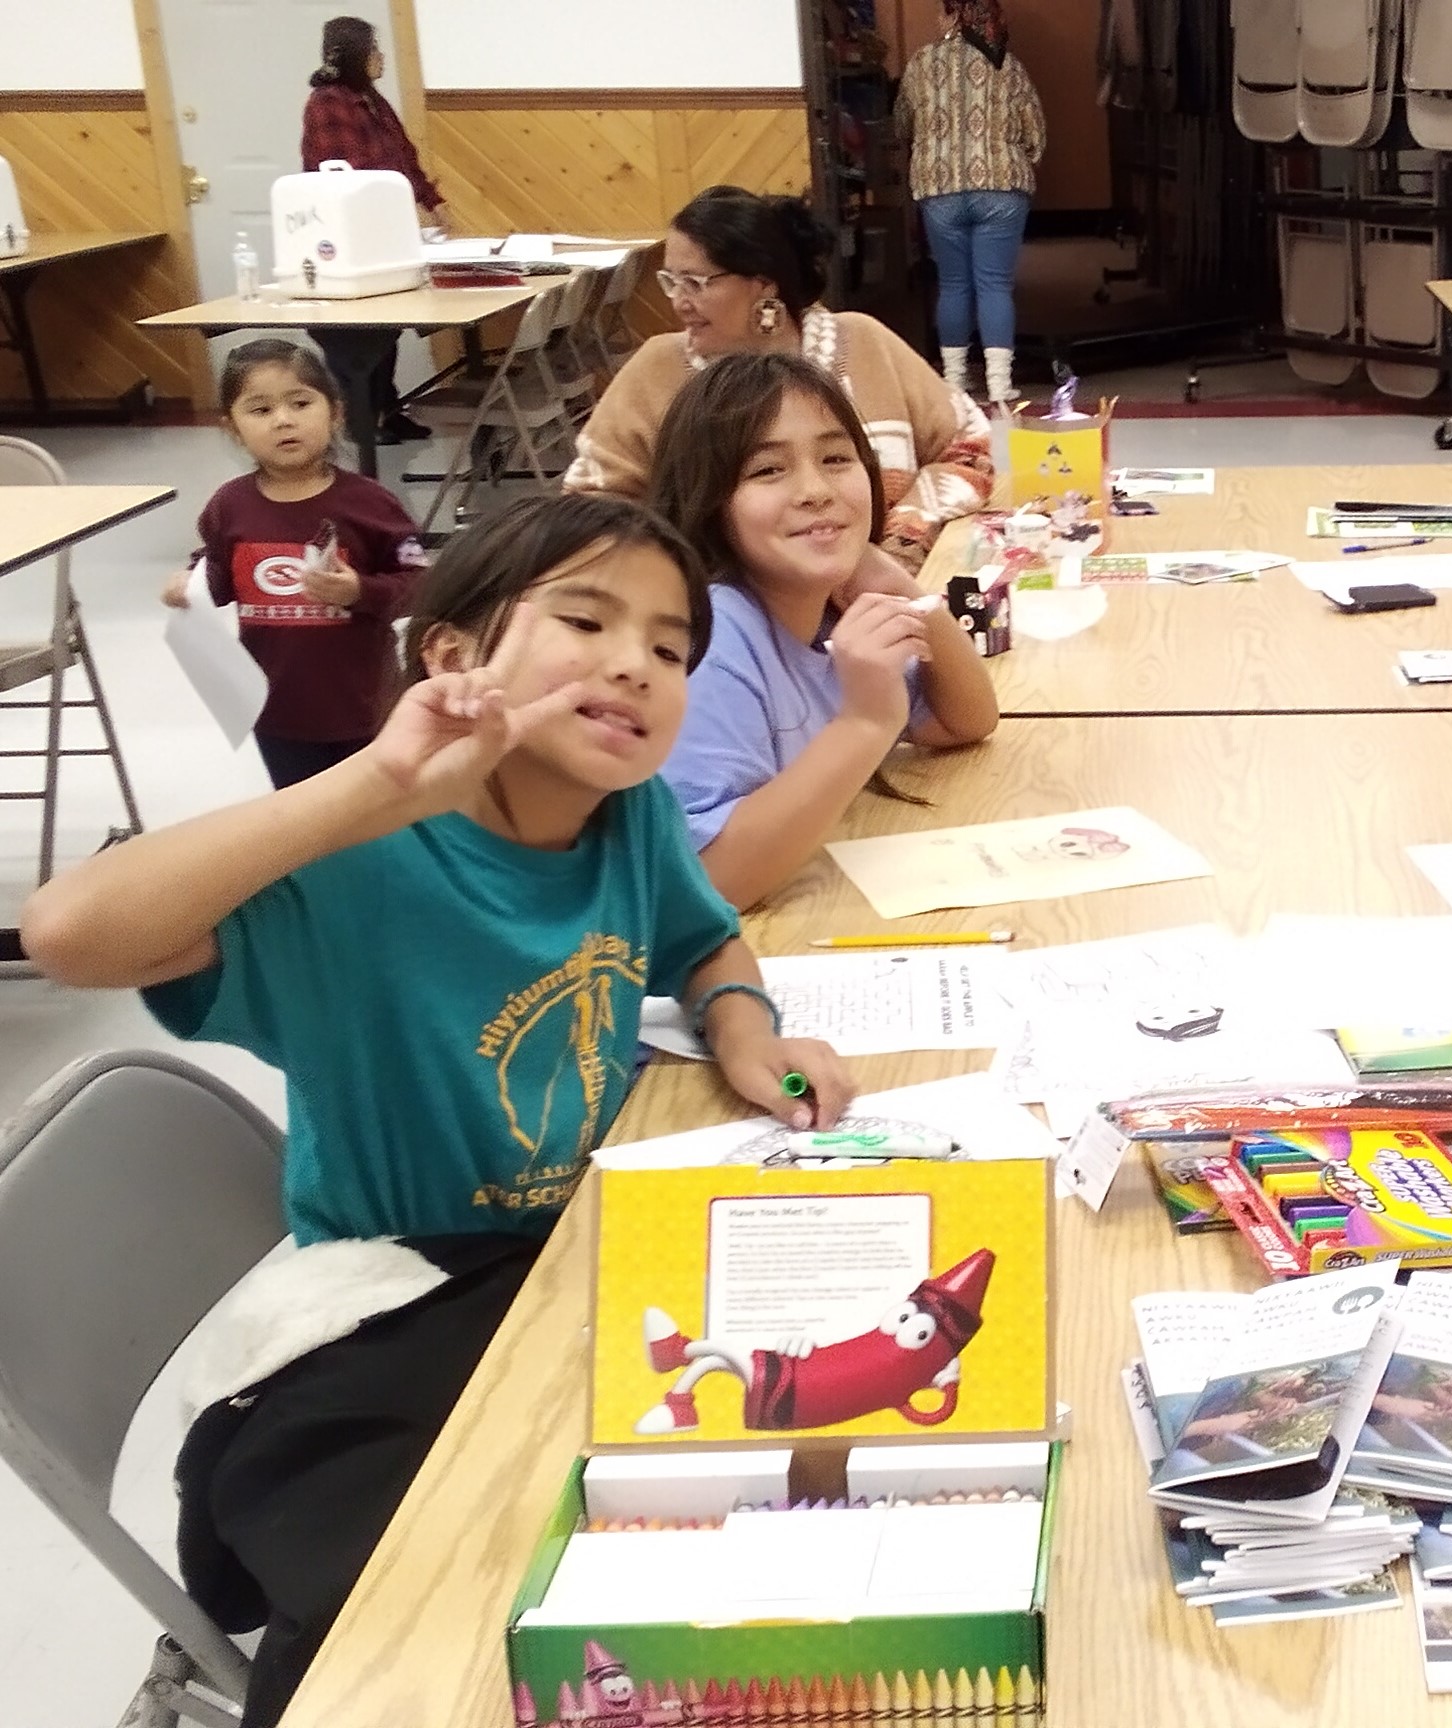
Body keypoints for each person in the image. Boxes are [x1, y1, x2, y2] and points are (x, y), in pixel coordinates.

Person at [22, 491, 859, 1728]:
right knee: (454, 1633)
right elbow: (68, 934)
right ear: (454, 655)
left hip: (569, 1274)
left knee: (810, 1494)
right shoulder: (353, 859)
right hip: (401, 1309)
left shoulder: (623, 822)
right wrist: (374, 786)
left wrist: (740, 1019)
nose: (635, 661)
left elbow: (703, 936)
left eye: (672, 648)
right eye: (585, 618)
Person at [650, 351, 998, 910]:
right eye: (767, 470)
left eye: (836, 458)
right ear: (709, 501)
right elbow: (702, 886)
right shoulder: (715, 640)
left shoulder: (824, 616)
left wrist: (908, 595)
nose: (816, 489)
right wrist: (864, 723)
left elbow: (966, 720)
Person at [566, 186, 992, 561]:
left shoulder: (862, 342)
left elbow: (973, 447)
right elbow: (588, 507)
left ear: (764, 283)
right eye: (671, 281)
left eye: (697, 282)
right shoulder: (656, 370)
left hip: (888, 595)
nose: (679, 302)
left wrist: (906, 536)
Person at [159, 339, 428, 788]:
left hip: (364, 705)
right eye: (260, 410)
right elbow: (218, 578)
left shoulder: (370, 503)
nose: (284, 420)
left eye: (300, 403)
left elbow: (421, 585)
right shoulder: (230, 506)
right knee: (302, 817)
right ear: (232, 428)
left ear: (335, 412)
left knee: (373, 817)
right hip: (276, 709)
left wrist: (361, 591)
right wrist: (188, 585)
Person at [299, 15, 444, 445]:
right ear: (356, 56)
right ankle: (362, 418)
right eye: (374, 50)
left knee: (387, 327)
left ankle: (388, 408)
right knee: (358, 333)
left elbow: (404, 155)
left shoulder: (373, 100)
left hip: (384, 230)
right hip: (347, 235)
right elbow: (347, 174)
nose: (381, 58)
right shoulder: (327, 103)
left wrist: (432, 202)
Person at [897, 0, 1045, 409]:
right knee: (994, 285)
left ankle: (954, 384)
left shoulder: (921, 63)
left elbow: (901, 125)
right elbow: (1035, 133)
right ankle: (999, 387)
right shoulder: (1008, 66)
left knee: (954, 284)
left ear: (953, 17)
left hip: (939, 186)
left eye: (942, 12)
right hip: (1000, 186)